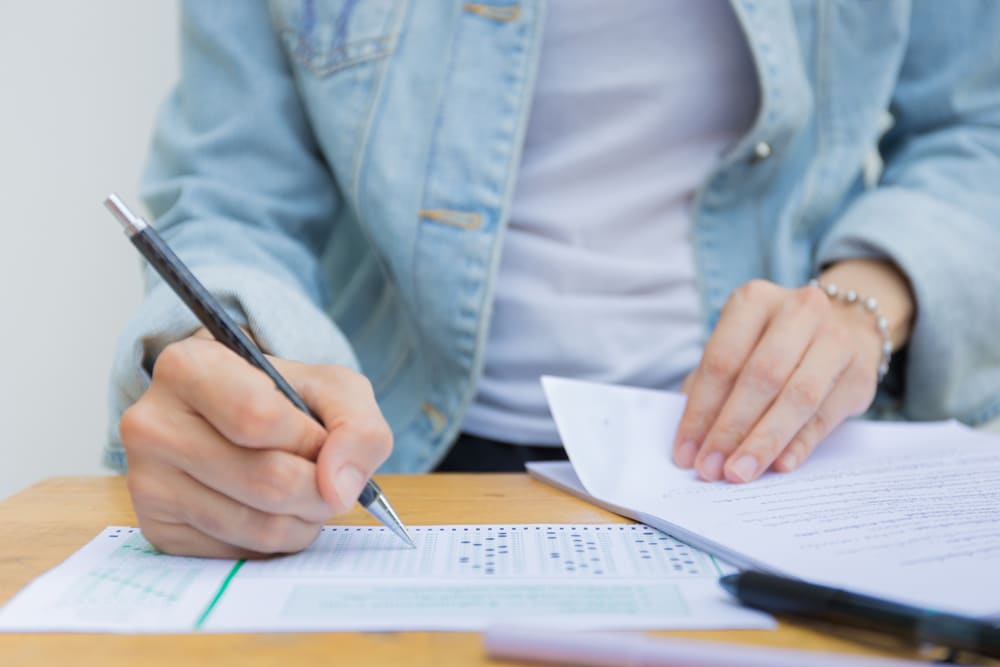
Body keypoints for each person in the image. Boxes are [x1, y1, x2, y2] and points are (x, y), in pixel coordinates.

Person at [107, 1, 1000, 558]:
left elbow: (978, 131)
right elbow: (233, 195)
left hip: (792, 456)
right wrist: (237, 378)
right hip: (403, 462)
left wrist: (864, 299)